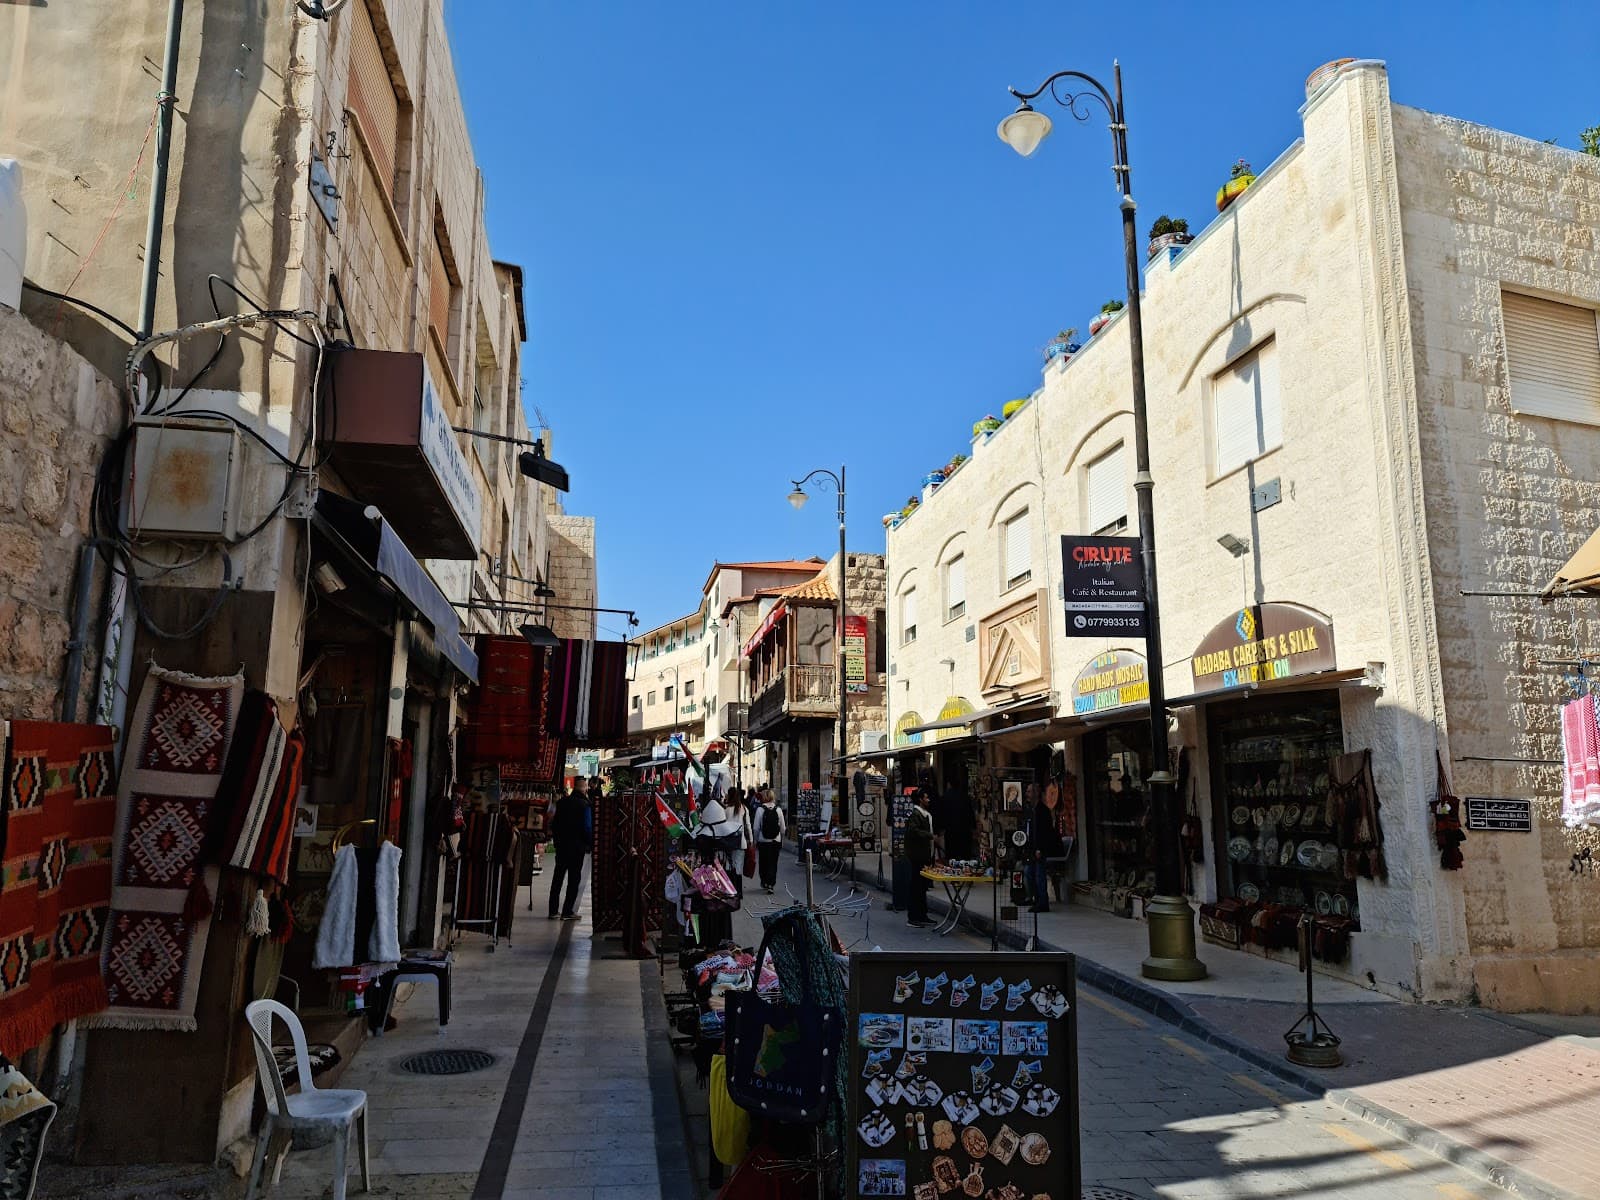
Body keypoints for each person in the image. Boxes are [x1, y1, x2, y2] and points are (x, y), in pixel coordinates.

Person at [548, 775, 592, 920]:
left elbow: (553, 823)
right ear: (584, 788)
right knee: (574, 879)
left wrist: (557, 841)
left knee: (558, 877)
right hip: (577, 847)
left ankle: (553, 911)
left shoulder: (561, 802)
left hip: (561, 846)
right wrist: (590, 843)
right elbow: (587, 827)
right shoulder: (585, 805)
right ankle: (567, 911)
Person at [1026, 782, 1066, 913]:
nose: (1027, 794)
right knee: (1029, 873)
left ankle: (1043, 902)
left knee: (1039, 875)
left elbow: (1045, 832)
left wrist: (1040, 849)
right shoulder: (1031, 810)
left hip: (1040, 849)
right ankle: (1036, 899)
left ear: (1036, 793)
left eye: (1030, 791)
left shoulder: (1042, 811)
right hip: (1032, 849)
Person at [904, 788, 935, 928]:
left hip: (924, 854)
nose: (928, 800)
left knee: (922, 887)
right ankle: (913, 917)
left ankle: (922, 915)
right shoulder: (915, 814)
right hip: (917, 855)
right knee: (916, 886)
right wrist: (930, 836)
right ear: (920, 799)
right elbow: (913, 831)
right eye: (926, 797)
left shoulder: (924, 814)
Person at [935, 774, 977, 862]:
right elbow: (970, 814)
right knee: (965, 856)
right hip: (965, 831)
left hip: (950, 831)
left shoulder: (945, 797)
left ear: (949, 784)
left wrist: (940, 829)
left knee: (951, 856)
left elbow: (941, 814)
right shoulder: (965, 797)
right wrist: (973, 828)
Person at [755, 788, 786, 892]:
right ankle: (771, 884)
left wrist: (755, 840)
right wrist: (782, 840)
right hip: (775, 841)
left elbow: (756, 828)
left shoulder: (760, 809)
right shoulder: (778, 809)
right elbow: (783, 828)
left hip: (763, 841)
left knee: (763, 862)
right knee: (773, 863)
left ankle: (764, 881)